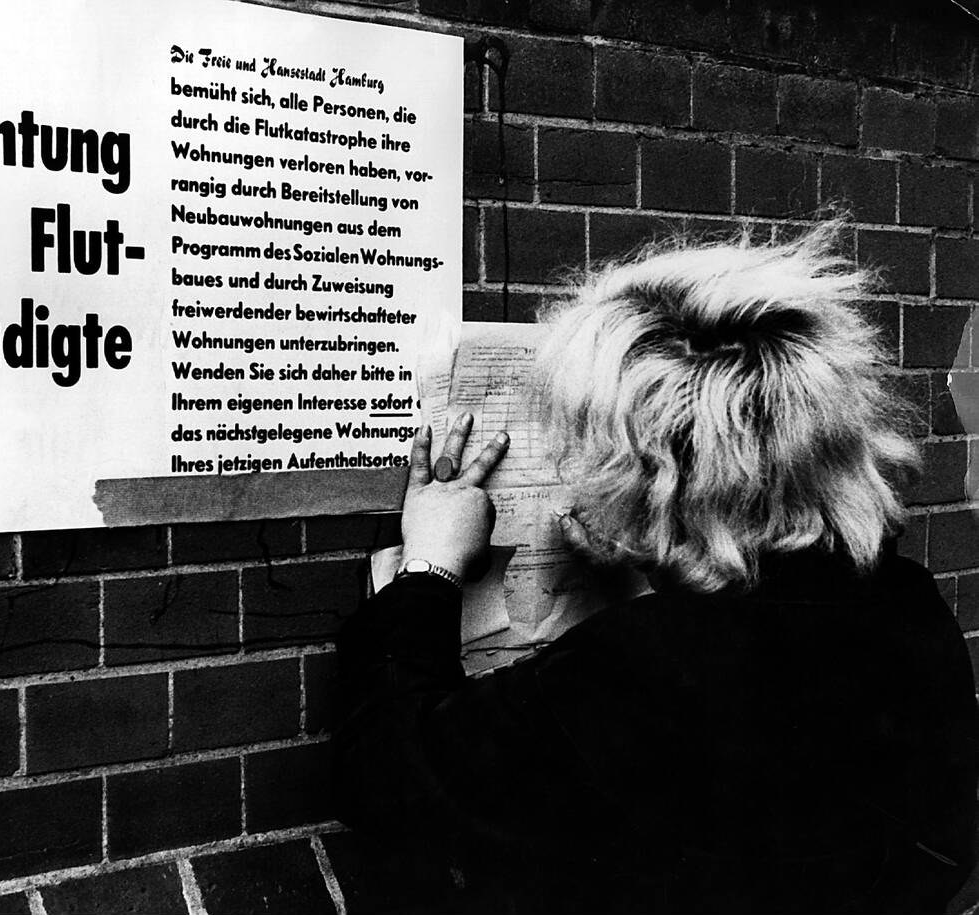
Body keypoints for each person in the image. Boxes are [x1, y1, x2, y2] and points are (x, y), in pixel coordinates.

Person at [333, 223, 979, 914]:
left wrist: (428, 566)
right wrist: (656, 561)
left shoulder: (638, 669)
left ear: (648, 472)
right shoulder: (906, 603)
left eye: (586, 445)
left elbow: (391, 774)